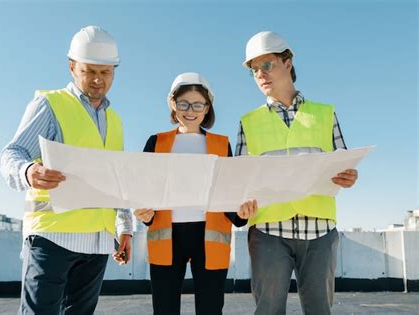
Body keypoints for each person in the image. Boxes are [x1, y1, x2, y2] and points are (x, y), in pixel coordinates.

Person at [0, 26, 132, 314]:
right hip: (52, 238)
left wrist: (125, 229)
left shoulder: (116, 120)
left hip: (97, 242)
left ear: (114, 71)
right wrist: (27, 172)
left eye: (106, 72)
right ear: (72, 67)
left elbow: (118, 181)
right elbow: (12, 153)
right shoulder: (49, 105)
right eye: (89, 71)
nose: (98, 80)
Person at [237, 31, 358, 315]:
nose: (260, 75)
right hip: (268, 231)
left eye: (267, 65)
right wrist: (241, 201)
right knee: (268, 310)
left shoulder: (325, 113)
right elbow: (240, 179)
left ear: (287, 62)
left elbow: (344, 161)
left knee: (319, 310)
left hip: (319, 231)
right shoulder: (248, 122)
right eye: (254, 70)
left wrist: (349, 177)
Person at [134, 72, 258, 315]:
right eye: (183, 103)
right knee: (164, 309)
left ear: (207, 107)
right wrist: (143, 213)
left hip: (208, 239)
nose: (190, 110)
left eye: (197, 104)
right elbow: (143, 190)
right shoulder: (155, 142)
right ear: (173, 104)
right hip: (167, 238)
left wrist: (241, 215)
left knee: (210, 309)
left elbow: (228, 192)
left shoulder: (221, 145)